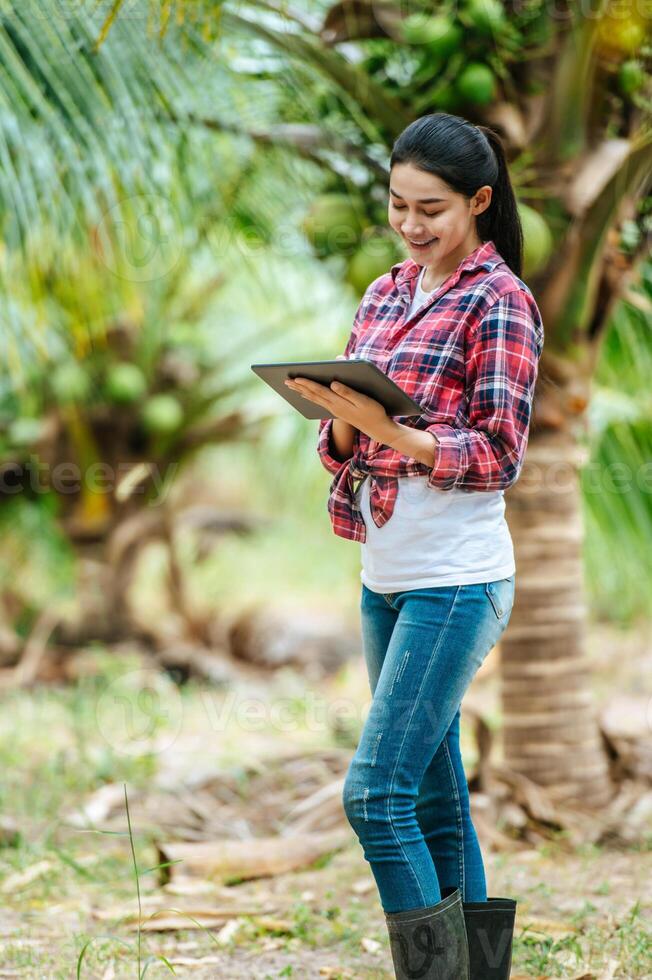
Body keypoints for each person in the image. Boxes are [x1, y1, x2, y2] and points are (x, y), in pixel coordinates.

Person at [284, 112, 544, 980]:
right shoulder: (385, 293)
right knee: (434, 797)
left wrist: (386, 430)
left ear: (478, 201)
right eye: (397, 204)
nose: (410, 224)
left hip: (457, 582)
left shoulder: (499, 301)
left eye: (430, 207)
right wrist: (349, 427)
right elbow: (341, 448)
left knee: (376, 795)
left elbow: (499, 452)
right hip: (384, 578)